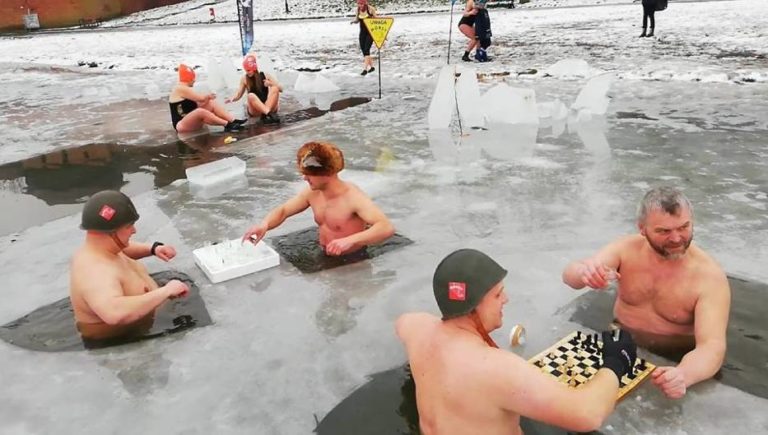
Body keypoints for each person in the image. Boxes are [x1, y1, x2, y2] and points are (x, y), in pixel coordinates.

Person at [396, 249, 638, 434]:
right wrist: (616, 361)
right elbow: (587, 414)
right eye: (498, 294)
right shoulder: (495, 367)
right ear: (473, 307)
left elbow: (402, 322)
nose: (507, 299)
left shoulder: (418, 329)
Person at [562, 186, 730, 399]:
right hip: (620, 341)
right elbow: (570, 277)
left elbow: (712, 347)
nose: (677, 238)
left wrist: (684, 374)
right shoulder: (626, 250)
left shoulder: (709, 277)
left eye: (684, 227)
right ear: (642, 229)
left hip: (675, 358)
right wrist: (584, 273)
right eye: (663, 231)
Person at [70, 190, 189, 341]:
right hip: (120, 339)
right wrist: (166, 291)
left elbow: (123, 248)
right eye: (129, 226)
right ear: (111, 233)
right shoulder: (93, 271)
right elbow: (114, 313)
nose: (134, 230)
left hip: (147, 321)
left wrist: (153, 248)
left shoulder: (103, 248)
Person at [242, 141, 395, 256]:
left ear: (327, 173)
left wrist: (349, 241)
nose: (304, 178)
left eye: (309, 174)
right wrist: (265, 225)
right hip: (324, 253)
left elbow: (385, 227)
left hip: (354, 258)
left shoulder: (353, 198)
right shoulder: (313, 192)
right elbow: (284, 210)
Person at [168, 63, 245, 133]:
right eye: (193, 78)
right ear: (188, 78)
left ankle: (233, 120)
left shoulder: (184, 89)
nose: (194, 81)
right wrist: (208, 96)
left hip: (191, 120)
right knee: (200, 111)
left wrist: (208, 99)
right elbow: (200, 98)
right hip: (181, 125)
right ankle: (227, 124)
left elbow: (198, 104)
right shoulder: (180, 88)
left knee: (210, 103)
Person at [225, 54, 282, 124]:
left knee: (275, 88)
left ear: (254, 68)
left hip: (268, 105)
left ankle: (266, 113)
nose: (247, 72)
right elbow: (239, 94)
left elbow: (281, 89)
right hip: (256, 110)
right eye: (246, 70)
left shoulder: (265, 75)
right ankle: (268, 113)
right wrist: (232, 98)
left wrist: (271, 84)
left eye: (249, 70)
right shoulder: (244, 79)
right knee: (250, 95)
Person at [351, 0, 377, 76]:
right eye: (358, 4)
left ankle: (365, 69)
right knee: (364, 50)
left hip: (370, 32)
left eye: (361, 4)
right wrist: (353, 22)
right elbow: (357, 20)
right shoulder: (358, 10)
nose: (360, 5)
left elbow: (376, 19)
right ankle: (372, 67)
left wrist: (381, 33)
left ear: (365, 3)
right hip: (362, 32)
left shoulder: (371, 9)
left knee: (366, 49)